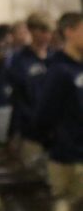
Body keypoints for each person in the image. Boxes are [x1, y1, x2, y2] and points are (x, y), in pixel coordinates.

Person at [32, 12, 83, 200]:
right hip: (68, 159)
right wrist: (59, 142)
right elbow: (43, 116)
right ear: (69, 32)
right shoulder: (59, 69)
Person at [7, 11, 54, 164]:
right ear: (33, 31)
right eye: (43, 31)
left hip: (54, 131)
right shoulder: (20, 59)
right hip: (30, 129)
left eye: (49, 31)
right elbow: (19, 96)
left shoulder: (55, 58)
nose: (47, 36)